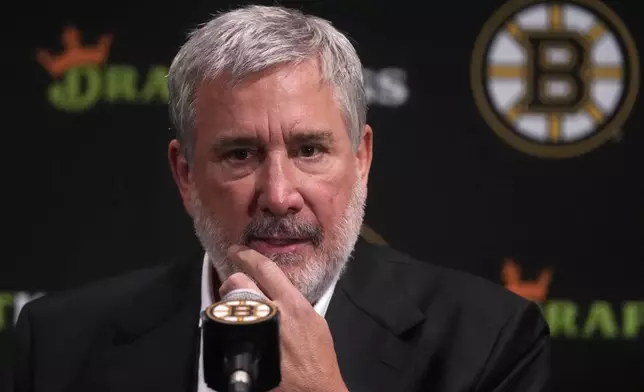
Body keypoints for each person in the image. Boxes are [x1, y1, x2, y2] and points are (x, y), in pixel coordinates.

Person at [9, 5, 550, 392]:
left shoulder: (487, 343)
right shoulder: (59, 343)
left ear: (361, 160)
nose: (279, 195)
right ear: (185, 175)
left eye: (309, 149)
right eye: (240, 154)